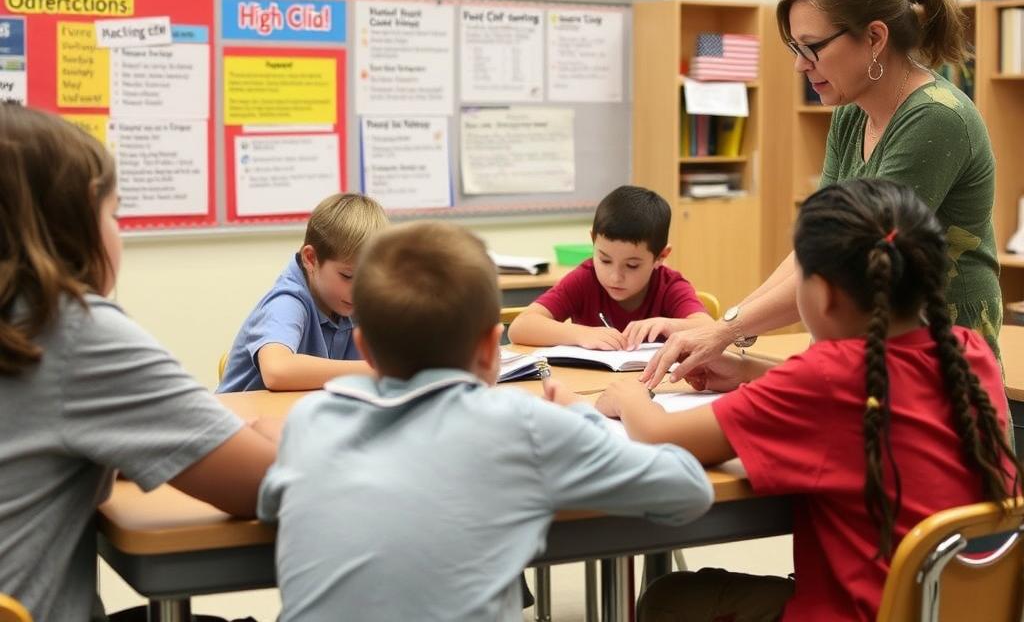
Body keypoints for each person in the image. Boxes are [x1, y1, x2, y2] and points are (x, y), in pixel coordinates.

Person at [597, 179, 1022, 622]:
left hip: (860, 614)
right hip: (957, 611)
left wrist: (629, 396)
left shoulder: (825, 377)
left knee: (670, 599)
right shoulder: (968, 352)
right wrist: (746, 372)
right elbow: (867, 394)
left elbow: (661, 435)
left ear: (820, 294)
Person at [258, 221, 714, 622]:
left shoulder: (308, 423)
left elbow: (274, 510)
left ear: (366, 349)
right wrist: (578, 416)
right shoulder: (524, 424)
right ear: (489, 347)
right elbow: (689, 491)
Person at [642, 0, 1002, 387]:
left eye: (811, 47)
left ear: (874, 38)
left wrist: (727, 330)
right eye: (796, 48)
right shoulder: (852, 112)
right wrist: (729, 329)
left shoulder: (935, 119)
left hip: (938, 375)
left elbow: (846, 266)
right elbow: (816, 251)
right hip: (866, 368)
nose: (799, 64)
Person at [0, 104, 278, 622]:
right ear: (73, 223)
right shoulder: (66, 330)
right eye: (115, 214)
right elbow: (264, 484)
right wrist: (287, 439)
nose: (119, 231)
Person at [218, 192, 387, 392]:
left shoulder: (352, 300)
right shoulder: (286, 302)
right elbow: (276, 371)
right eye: (348, 276)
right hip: (246, 419)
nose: (360, 290)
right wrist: (375, 370)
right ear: (310, 259)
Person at [508, 185, 711, 351]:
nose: (615, 277)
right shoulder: (585, 278)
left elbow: (709, 329)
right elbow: (520, 327)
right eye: (604, 260)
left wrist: (669, 325)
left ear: (661, 257)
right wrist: (581, 334)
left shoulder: (669, 285)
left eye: (632, 265)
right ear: (593, 241)